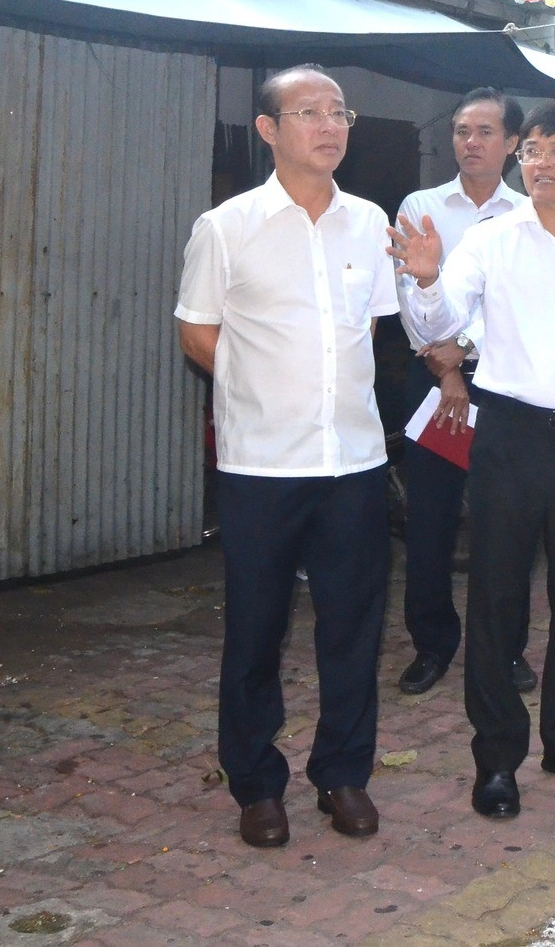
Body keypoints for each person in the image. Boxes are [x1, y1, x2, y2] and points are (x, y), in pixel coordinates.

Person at [389, 100, 555, 823]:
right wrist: (423, 281)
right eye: (532, 148)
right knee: (498, 599)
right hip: (506, 435)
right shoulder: (491, 240)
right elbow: (443, 327)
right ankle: (497, 759)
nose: (539, 160)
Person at [175, 64, 395, 849]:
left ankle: (343, 775)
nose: (330, 125)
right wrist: (264, 392)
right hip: (262, 467)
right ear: (269, 130)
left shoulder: (371, 223)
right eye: (309, 112)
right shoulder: (227, 226)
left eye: (339, 111)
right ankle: (256, 786)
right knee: (256, 630)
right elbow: (199, 333)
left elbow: (367, 330)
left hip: (355, 465)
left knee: (353, 629)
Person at [392, 88, 527, 698]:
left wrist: (464, 354)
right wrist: (446, 372)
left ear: (512, 144)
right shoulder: (421, 207)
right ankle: (431, 644)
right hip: (431, 384)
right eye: (460, 131)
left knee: (509, 527)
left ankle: (507, 648)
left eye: (484, 132)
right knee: (429, 524)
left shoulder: (529, 213)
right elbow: (411, 305)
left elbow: (522, 312)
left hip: (506, 386)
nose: (470, 143)